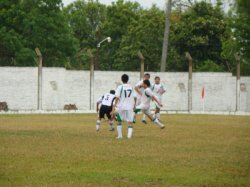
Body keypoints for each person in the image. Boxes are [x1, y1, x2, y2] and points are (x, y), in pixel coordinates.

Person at [111, 74, 136, 139]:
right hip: (130, 106)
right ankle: (129, 136)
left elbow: (117, 97)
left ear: (122, 80)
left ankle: (120, 136)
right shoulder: (131, 87)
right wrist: (134, 105)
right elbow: (135, 97)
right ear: (128, 80)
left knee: (119, 121)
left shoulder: (120, 87)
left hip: (121, 106)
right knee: (130, 122)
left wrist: (114, 107)